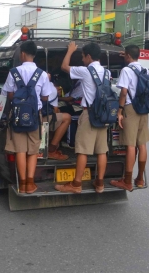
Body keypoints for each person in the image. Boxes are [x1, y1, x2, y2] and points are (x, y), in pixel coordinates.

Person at [56, 41, 109, 194]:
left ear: (89, 56)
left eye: (83, 56)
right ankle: (99, 184)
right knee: (101, 151)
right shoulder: (107, 73)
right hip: (103, 115)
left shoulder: (86, 71)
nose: (82, 59)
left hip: (89, 113)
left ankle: (76, 184)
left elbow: (64, 67)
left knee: (82, 151)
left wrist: (70, 51)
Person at [1, 41, 50, 194]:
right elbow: (46, 97)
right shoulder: (42, 74)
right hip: (35, 116)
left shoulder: (14, 72)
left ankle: (21, 184)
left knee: (20, 150)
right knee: (33, 151)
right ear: (34, 54)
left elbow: (8, 95)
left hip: (17, 116)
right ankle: (30, 183)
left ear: (22, 54)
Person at [111, 45, 149, 191]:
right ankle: (139, 179)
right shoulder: (145, 69)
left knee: (130, 146)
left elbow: (124, 92)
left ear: (127, 56)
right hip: (143, 109)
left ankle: (127, 181)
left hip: (130, 108)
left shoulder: (126, 70)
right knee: (142, 144)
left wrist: (120, 111)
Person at [43, 75, 72, 160]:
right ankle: (52, 150)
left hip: (30, 118)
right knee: (67, 117)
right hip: (42, 119)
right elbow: (55, 110)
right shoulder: (52, 89)